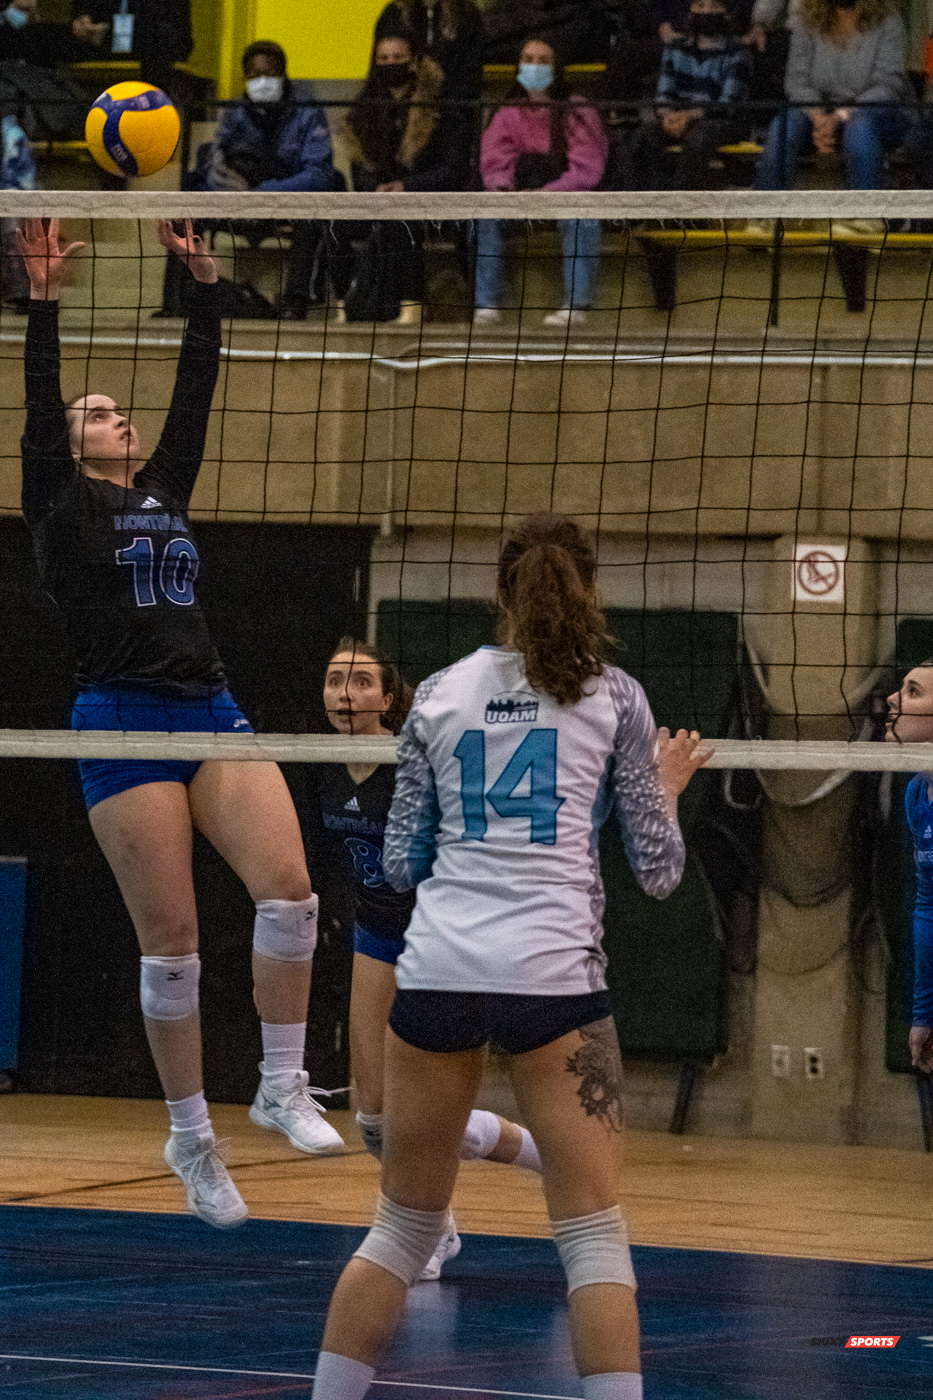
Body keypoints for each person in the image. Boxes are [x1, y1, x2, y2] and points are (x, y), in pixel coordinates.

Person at [309, 512, 709, 1400]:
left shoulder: (439, 693)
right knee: (592, 1239)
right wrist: (664, 790)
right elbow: (657, 874)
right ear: (590, 588)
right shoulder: (616, 697)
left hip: (440, 972)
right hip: (554, 978)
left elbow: (401, 863)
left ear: (499, 590)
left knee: (399, 1231)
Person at [17, 216, 345, 1230]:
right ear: (72, 441)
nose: (117, 417)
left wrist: (204, 287)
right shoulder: (58, 503)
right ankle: (191, 1137)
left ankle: (282, 1083)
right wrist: (43, 302)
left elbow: (197, 394)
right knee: (175, 943)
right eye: (98, 412)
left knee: (291, 895)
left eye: (117, 409)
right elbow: (37, 409)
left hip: (208, 705)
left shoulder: (160, 491)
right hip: (119, 718)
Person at [305, 638, 545, 1280]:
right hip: (375, 935)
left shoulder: (415, 760)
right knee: (374, 1119)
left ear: (388, 698)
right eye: (334, 681)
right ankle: (442, 1222)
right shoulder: (320, 762)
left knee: (422, 1114)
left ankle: (448, 1214)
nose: (345, 694)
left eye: (361, 682)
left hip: (436, 937)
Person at [174, 40, 337, 321]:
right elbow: (214, 162)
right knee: (185, 213)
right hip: (239, 199)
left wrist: (267, 191)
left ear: (283, 74)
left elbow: (320, 174)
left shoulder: (307, 111)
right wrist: (226, 187)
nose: (261, 81)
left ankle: (295, 302)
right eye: (254, 75)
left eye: (268, 74)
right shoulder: (235, 111)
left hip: (287, 201)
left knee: (314, 215)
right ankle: (177, 301)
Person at [475, 38, 608, 330]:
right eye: (528, 59)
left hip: (565, 197)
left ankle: (576, 306)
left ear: (556, 68)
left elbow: (587, 170)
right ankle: (485, 306)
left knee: (583, 216)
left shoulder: (578, 111)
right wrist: (505, 191)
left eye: (543, 61)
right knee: (486, 212)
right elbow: (494, 162)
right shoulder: (506, 113)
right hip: (520, 199)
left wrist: (546, 194)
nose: (535, 66)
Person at [754, 0, 911, 197]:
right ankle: (764, 208)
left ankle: (866, 211)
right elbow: (796, 81)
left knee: (859, 129)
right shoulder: (806, 21)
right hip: (817, 109)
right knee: (784, 127)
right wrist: (819, 117)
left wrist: (840, 115)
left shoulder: (889, 23)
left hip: (873, 111)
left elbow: (888, 85)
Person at [619, 0, 753, 190]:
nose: (707, 11)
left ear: (726, 13)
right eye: (700, 5)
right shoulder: (675, 47)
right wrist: (667, 116)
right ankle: (649, 198)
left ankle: (681, 199)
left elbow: (729, 104)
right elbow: (664, 93)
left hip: (722, 121)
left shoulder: (738, 52)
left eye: (714, 6)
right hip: (678, 117)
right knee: (640, 138)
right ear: (690, 11)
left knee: (699, 139)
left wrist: (689, 116)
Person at [885, 662, 933, 1075]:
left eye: (912, 692)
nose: (892, 699)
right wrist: (924, 1014)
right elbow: (928, 907)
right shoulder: (917, 792)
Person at [71, 0, 192, 99]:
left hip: (150, 55)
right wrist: (84, 20)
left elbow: (174, 32)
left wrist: (109, 29)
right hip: (100, 49)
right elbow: (86, 10)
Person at [374, 0, 485, 99]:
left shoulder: (465, 13)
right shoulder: (395, 13)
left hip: (456, 106)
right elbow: (378, 70)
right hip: (400, 105)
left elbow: (471, 73)